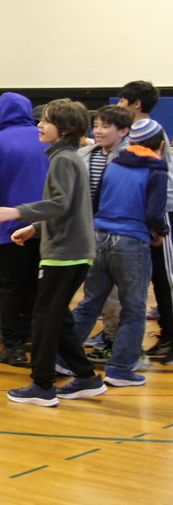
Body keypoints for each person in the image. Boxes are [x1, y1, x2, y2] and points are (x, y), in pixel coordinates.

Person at [0, 99, 107, 406]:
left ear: (64, 129)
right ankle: (87, 377)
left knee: (43, 318)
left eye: (46, 121)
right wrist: (35, 229)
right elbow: (69, 209)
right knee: (57, 316)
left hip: (66, 253)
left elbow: (60, 205)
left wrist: (15, 212)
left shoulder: (64, 160)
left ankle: (43, 385)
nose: (39, 125)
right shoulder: (64, 157)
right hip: (71, 249)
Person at [67, 118, 167, 386]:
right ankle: (121, 369)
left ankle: (62, 358)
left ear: (131, 140)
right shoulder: (157, 168)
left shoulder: (116, 162)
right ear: (159, 145)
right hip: (131, 242)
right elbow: (155, 212)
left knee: (89, 304)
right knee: (134, 309)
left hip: (99, 237)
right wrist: (161, 233)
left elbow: (97, 200)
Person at [0, 92, 50, 367]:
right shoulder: (43, 135)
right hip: (47, 227)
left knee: (7, 285)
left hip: (11, 225)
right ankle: (37, 339)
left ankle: (12, 346)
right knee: (39, 284)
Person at [116, 80, 173, 366]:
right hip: (142, 214)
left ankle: (170, 337)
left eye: (122, 100)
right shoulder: (133, 132)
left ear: (136, 105)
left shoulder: (150, 131)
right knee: (151, 277)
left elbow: (159, 179)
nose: (118, 104)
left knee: (164, 278)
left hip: (161, 212)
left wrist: (159, 219)